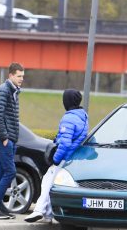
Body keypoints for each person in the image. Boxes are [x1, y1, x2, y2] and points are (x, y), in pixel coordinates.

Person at [25, 88, 88, 223]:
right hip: (71, 158)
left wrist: (56, 158)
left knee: (47, 181)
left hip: (63, 157)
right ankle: (49, 214)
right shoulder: (82, 116)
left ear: (67, 101)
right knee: (54, 184)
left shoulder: (69, 117)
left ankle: (39, 211)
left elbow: (64, 142)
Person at [0, 62, 25, 219]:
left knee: (3, 172)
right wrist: (4, 138)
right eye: (19, 76)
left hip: (10, 139)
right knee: (10, 172)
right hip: (5, 139)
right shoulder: (3, 91)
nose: (21, 79)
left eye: (23, 76)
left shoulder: (13, 91)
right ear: (10, 75)